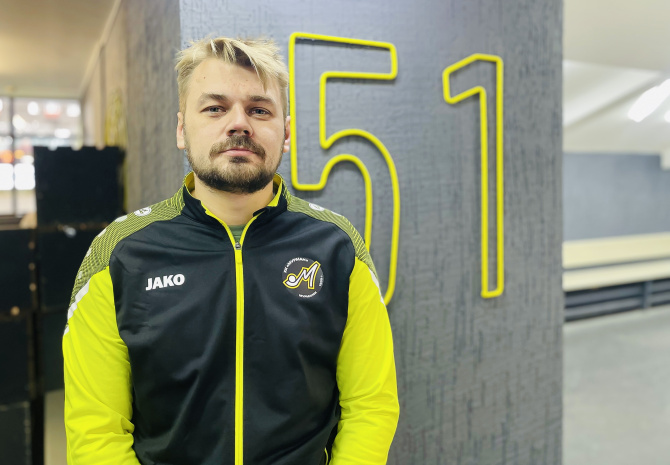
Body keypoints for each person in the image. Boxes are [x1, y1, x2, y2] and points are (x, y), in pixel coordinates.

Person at [63, 36, 399, 465]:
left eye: (259, 110)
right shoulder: (119, 254)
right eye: (215, 108)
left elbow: (371, 405)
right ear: (182, 129)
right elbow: (96, 430)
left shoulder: (338, 247)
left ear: (286, 132)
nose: (239, 124)